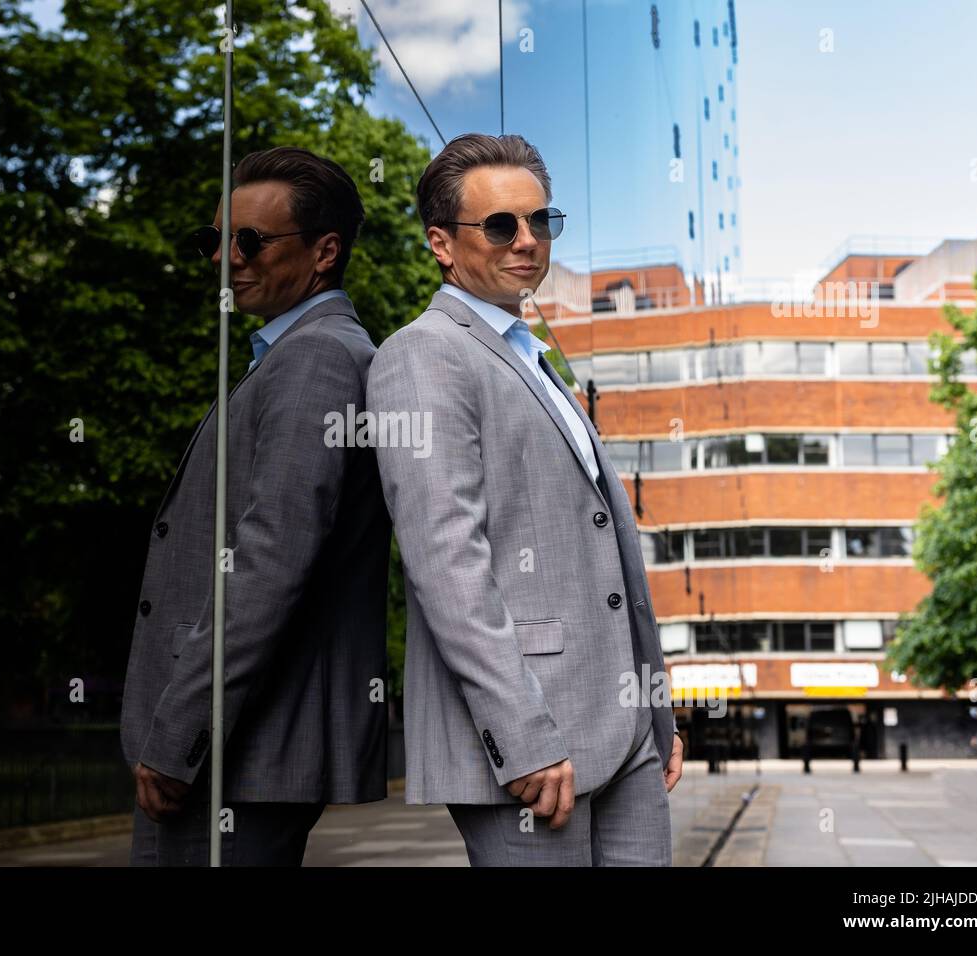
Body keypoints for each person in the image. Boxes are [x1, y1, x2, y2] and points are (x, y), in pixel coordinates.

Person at [366, 133, 684, 866]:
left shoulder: (530, 356)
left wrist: (657, 712)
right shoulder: (422, 355)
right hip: (531, 739)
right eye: (501, 225)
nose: (527, 241)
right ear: (441, 243)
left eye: (542, 222)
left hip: (629, 729)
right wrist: (523, 736)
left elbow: (602, 555)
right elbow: (447, 562)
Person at [120, 146, 390, 866]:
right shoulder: (294, 355)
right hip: (247, 750)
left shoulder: (316, 358)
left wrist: (182, 733)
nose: (226, 258)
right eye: (215, 240)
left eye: (250, 241)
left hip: (240, 753)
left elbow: (271, 560)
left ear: (325, 251)